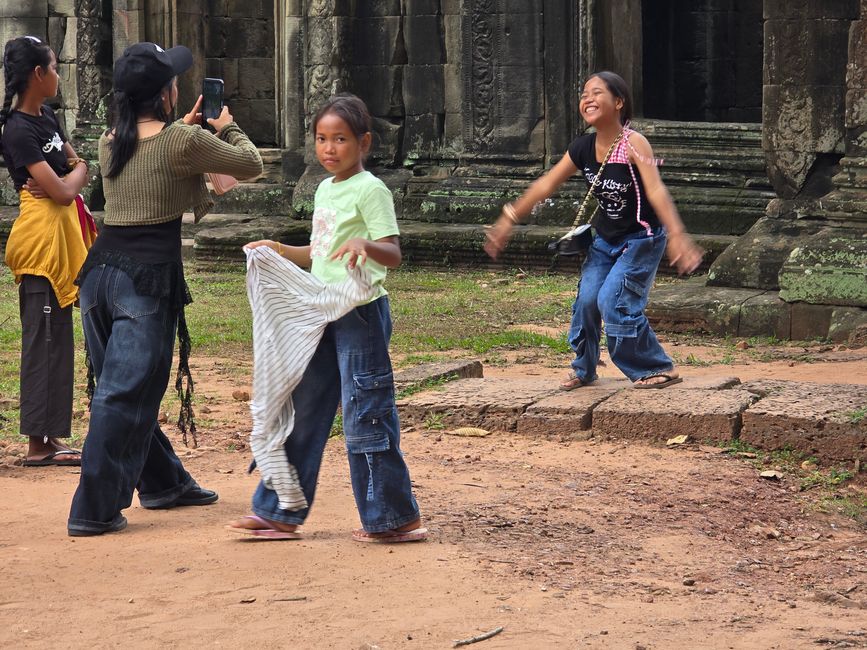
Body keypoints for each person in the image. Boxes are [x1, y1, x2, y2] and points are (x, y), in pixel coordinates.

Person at [66, 42, 263, 536]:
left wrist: (189, 131)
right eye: (174, 80)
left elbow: (158, 170)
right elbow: (251, 163)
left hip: (99, 276)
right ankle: (92, 509)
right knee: (124, 394)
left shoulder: (112, 138)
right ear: (165, 94)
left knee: (126, 387)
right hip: (145, 279)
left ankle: (164, 483)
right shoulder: (179, 141)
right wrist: (225, 126)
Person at [227, 93, 427, 543]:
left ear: (364, 142)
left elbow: (392, 253)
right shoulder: (324, 188)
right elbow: (319, 256)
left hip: (360, 315)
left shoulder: (371, 189)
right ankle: (280, 510)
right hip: (320, 311)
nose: (329, 148)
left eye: (340, 139)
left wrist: (367, 246)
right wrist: (279, 251)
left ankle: (393, 517)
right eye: (321, 138)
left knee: (365, 412)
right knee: (304, 408)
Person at [485, 71, 703, 390]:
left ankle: (657, 366)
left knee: (612, 300)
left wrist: (678, 235)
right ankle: (584, 367)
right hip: (604, 239)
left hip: (641, 239)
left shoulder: (634, 143)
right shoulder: (582, 148)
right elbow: (546, 183)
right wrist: (508, 218)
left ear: (618, 102)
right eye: (584, 94)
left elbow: (656, 191)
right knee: (587, 300)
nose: (588, 98)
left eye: (597, 92)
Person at [1, 35, 91, 466]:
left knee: (59, 343)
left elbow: (76, 168)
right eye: (54, 67)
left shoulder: (49, 117)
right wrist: (73, 180)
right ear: (38, 74)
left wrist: (74, 177)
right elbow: (61, 190)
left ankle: (51, 436)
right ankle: (37, 444)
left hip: (61, 243)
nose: (58, 74)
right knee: (44, 342)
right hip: (41, 246)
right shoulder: (17, 129)